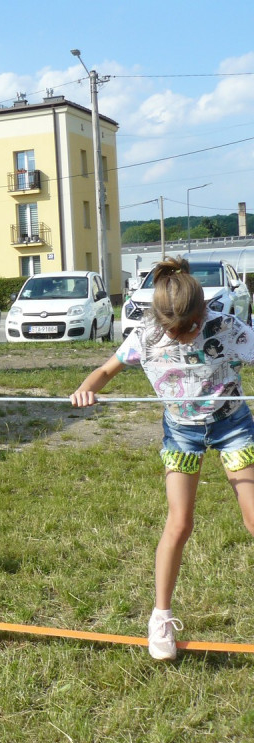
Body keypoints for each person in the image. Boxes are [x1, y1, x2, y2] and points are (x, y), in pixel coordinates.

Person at [70, 257, 254, 660]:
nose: (186, 335)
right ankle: (161, 618)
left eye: (191, 326)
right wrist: (85, 387)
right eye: (177, 329)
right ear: (160, 319)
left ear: (204, 310)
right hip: (183, 433)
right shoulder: (146, 337)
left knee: (253, 516)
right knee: (180, 521)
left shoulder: (225, 326)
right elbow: (104, 371)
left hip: (232, 426)